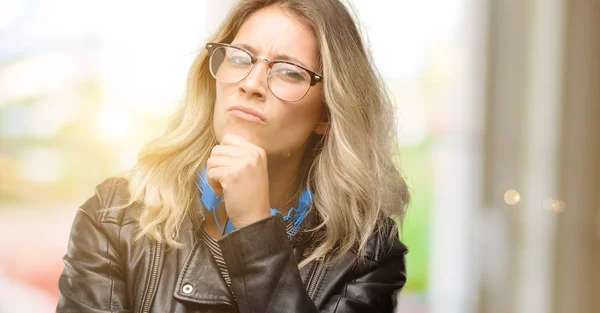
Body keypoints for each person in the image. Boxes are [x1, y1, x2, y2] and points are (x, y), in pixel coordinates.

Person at [56, 0, 410, 312]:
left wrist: (256, 232)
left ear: (326, 114)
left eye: (289, 71)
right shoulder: (115, 218)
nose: (251, 83)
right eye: (241, 58)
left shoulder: (368, 255)